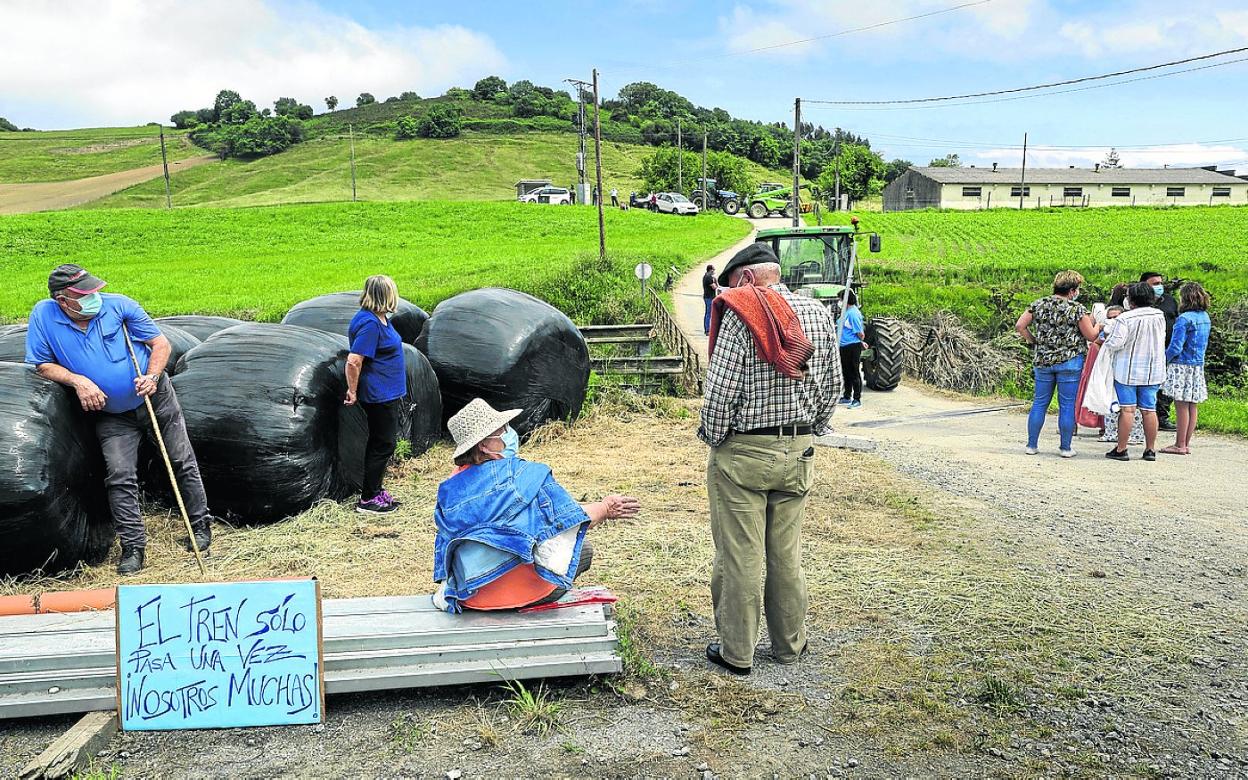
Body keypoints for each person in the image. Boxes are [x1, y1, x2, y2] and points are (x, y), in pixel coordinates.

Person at [699, 243, 841, 675]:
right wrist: (808, 429)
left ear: (744, 279)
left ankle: (737, 653)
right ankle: (788, 646)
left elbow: (720, 392)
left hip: (743, 451)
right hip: (797, 450)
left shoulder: (742, 314)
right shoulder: (817, 313)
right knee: (786, 554)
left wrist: (713, 437)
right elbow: (833, 385)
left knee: (740, 555)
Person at [25, 264, 212, 574]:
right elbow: (42, 364)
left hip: (154, 398)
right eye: (84, 294)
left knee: (180, 459)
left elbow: (160, 343)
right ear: (63, 301)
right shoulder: (44, 316)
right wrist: (79, 381)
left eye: (95, 290)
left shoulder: (120, 306)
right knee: (120, 474)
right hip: (112, 415)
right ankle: (134, 547)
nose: (94, 297)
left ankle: (200, 526)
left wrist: (152, 376)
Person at [431, 399, 639, 612]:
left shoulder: (450, 489)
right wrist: (606, 508)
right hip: (518, 594)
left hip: (469, 596)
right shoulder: (525, 475)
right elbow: (568, 519)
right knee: (583, 550)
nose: (509, 434)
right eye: (502, 430)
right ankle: (535, 598)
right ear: (484, 446)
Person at [1015, 271, 1104, 458]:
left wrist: (1033, 341)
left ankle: (1032, 445)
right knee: (1067, 404)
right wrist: (1099, 325)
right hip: (1070, 361)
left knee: (1039, 403)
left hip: (1043, 361)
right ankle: (1065, 448)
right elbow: (1091, 335)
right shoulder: (1077, 309)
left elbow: (1020, 326)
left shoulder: (1038, 304)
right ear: (1072, 290)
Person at [344, 275, 407, 515]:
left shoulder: (379, 318)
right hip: (379, 393)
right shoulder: (369, 323)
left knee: (383, 442)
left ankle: (376, 490)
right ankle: (368, 498)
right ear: (385, 295)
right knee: (383, 444)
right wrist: (352, 390)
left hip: (387, 391)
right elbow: (353, 360)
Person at [1101, 282, 1167, 461]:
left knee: (1127, 410)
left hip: (1127, 370)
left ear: (1131, 300)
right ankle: (1150, 450)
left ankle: (1121, 449)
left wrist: (1106, 335)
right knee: (1149, 409)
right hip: (1153, 370)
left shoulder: (1125, 319)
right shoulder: (1159, 315)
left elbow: (1115, 343)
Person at [1160, 282, 1212, 455]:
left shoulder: (1184, 319)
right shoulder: (1205, 317)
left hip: (1181, 365)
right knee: (1192, 405)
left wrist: (1164, 360)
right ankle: (1185, 443)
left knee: (1181, 405)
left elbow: (1176, 346)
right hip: (1197, 365)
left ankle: (1179, 444)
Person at [1095, 284, 1144, 445]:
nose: (1113, 320)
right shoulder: (1106, 330)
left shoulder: (1127, 326)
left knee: (1131, 407)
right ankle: (1110, 432)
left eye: (1116, 316)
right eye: (1110, 317)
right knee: (1111, 403)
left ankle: (1134, 435)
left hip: (1128, 370)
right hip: (1111, 371)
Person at [1141, 272, 1179, 431]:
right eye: (1155, 283)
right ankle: (1142, 418)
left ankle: (1162, 417)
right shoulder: (1140, 302)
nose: (1159, 286)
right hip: (1145, 350)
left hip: (1168, 348)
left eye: (1160, 283)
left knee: (1165, 386)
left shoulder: (1169, 301)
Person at [838, 289, 868, 409]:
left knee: (854, 372)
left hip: (852, 346)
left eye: (840, 299)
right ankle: (847, 396)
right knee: (846, 372)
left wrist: (861, 341)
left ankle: (857, 399)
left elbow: (860, 333)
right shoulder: (846, 312)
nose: (839, 302)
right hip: (844, 346)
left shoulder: (853, 313)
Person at [701, 264, 719, 335]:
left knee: (708, 313)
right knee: (709, 313)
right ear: (710, 270)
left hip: (707, 296)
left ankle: (708, 329)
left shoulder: (705, 276)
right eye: (713, 269)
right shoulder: (709, 277)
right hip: (709, 297)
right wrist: (715, 281)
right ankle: (707, 329)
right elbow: (714, 287)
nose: (714, 271)